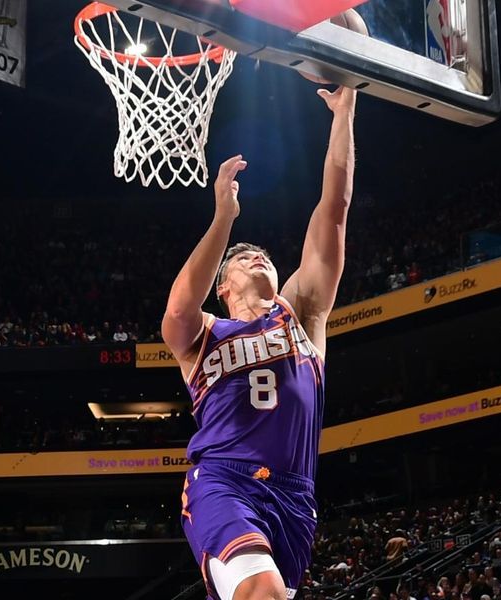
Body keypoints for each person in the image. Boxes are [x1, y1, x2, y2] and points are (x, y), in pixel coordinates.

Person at [162, 81, 356, 600]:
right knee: (263, 594)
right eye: (242, 258)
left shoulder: (303, 314)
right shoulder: (203, 336)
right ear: (222, 286)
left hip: (295, 494)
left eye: (263, 255)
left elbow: (333, 211)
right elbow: (179, 308)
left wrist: (345, 111)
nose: (257, 258)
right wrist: (224, 219)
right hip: (223, 480)